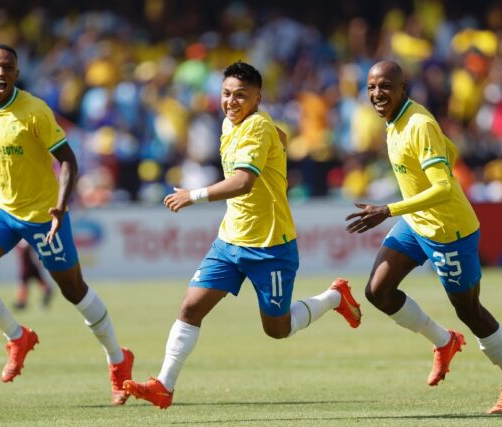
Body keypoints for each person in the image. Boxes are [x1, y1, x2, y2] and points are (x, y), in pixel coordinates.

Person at [122, 61, 362, 409]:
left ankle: (334, 298)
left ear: (258, 98)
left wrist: (195, 194)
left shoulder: (257, 128)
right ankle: (164, 385)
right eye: (226, 94)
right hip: (230, 241)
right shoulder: (232, 124)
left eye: (241, 96)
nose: (231, 102)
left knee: (276, 330)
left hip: (270, 247)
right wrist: (278, 144)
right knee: (191, 306)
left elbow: (243, 182)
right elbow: (279, 137)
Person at [0, 44, 134, 405]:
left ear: (16, 74)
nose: (1, 73)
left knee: (74, 290)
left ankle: (118, 360)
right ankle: (18, 337)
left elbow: (68, 161)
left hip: (43, 215)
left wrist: (61, 207)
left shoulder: (35, 111)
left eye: (8, 68)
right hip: (2, 209)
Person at [345, 60, 502, 414]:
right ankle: (443, 342)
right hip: (417, 223)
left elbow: (444, 187)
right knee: (378, 291)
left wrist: (388, 210)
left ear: (404, 88)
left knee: (470, 311)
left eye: (385, 86)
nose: (376, 94)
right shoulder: (394, 122)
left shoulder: (419, 124)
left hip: (449, 232)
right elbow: (451, 153)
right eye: (371, 87)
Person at [13, 240, 53, 311]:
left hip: (30, 267)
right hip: (26, 267)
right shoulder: (21, 243)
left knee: (24, 284)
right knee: (23, 285)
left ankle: (44, 300)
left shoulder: (26, 242)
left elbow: (34, 253)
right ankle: (22, 303)